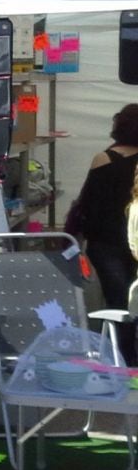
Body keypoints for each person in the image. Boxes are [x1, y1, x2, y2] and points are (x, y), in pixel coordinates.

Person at [70, 103, 138, 365]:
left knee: (118, 301)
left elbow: (88, 203)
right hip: (130, 242)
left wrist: (80, 236)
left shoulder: (104, 158)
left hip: (106, 242)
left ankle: (122, 358)